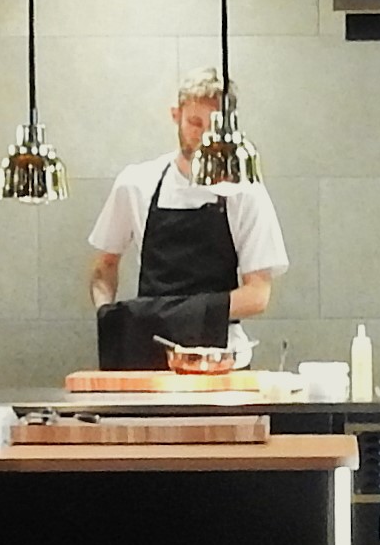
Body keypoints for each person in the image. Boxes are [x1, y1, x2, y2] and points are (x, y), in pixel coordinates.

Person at [87, 70, 285, 369]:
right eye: (194, 122)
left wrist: (178, 315)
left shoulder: (246, 192)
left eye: (214, 126)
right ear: (175, 115)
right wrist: (110, 317)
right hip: (146, 354)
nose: (204, 136)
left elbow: (258, 295)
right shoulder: (136, 184)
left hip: (221, 360)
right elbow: (104, 267)